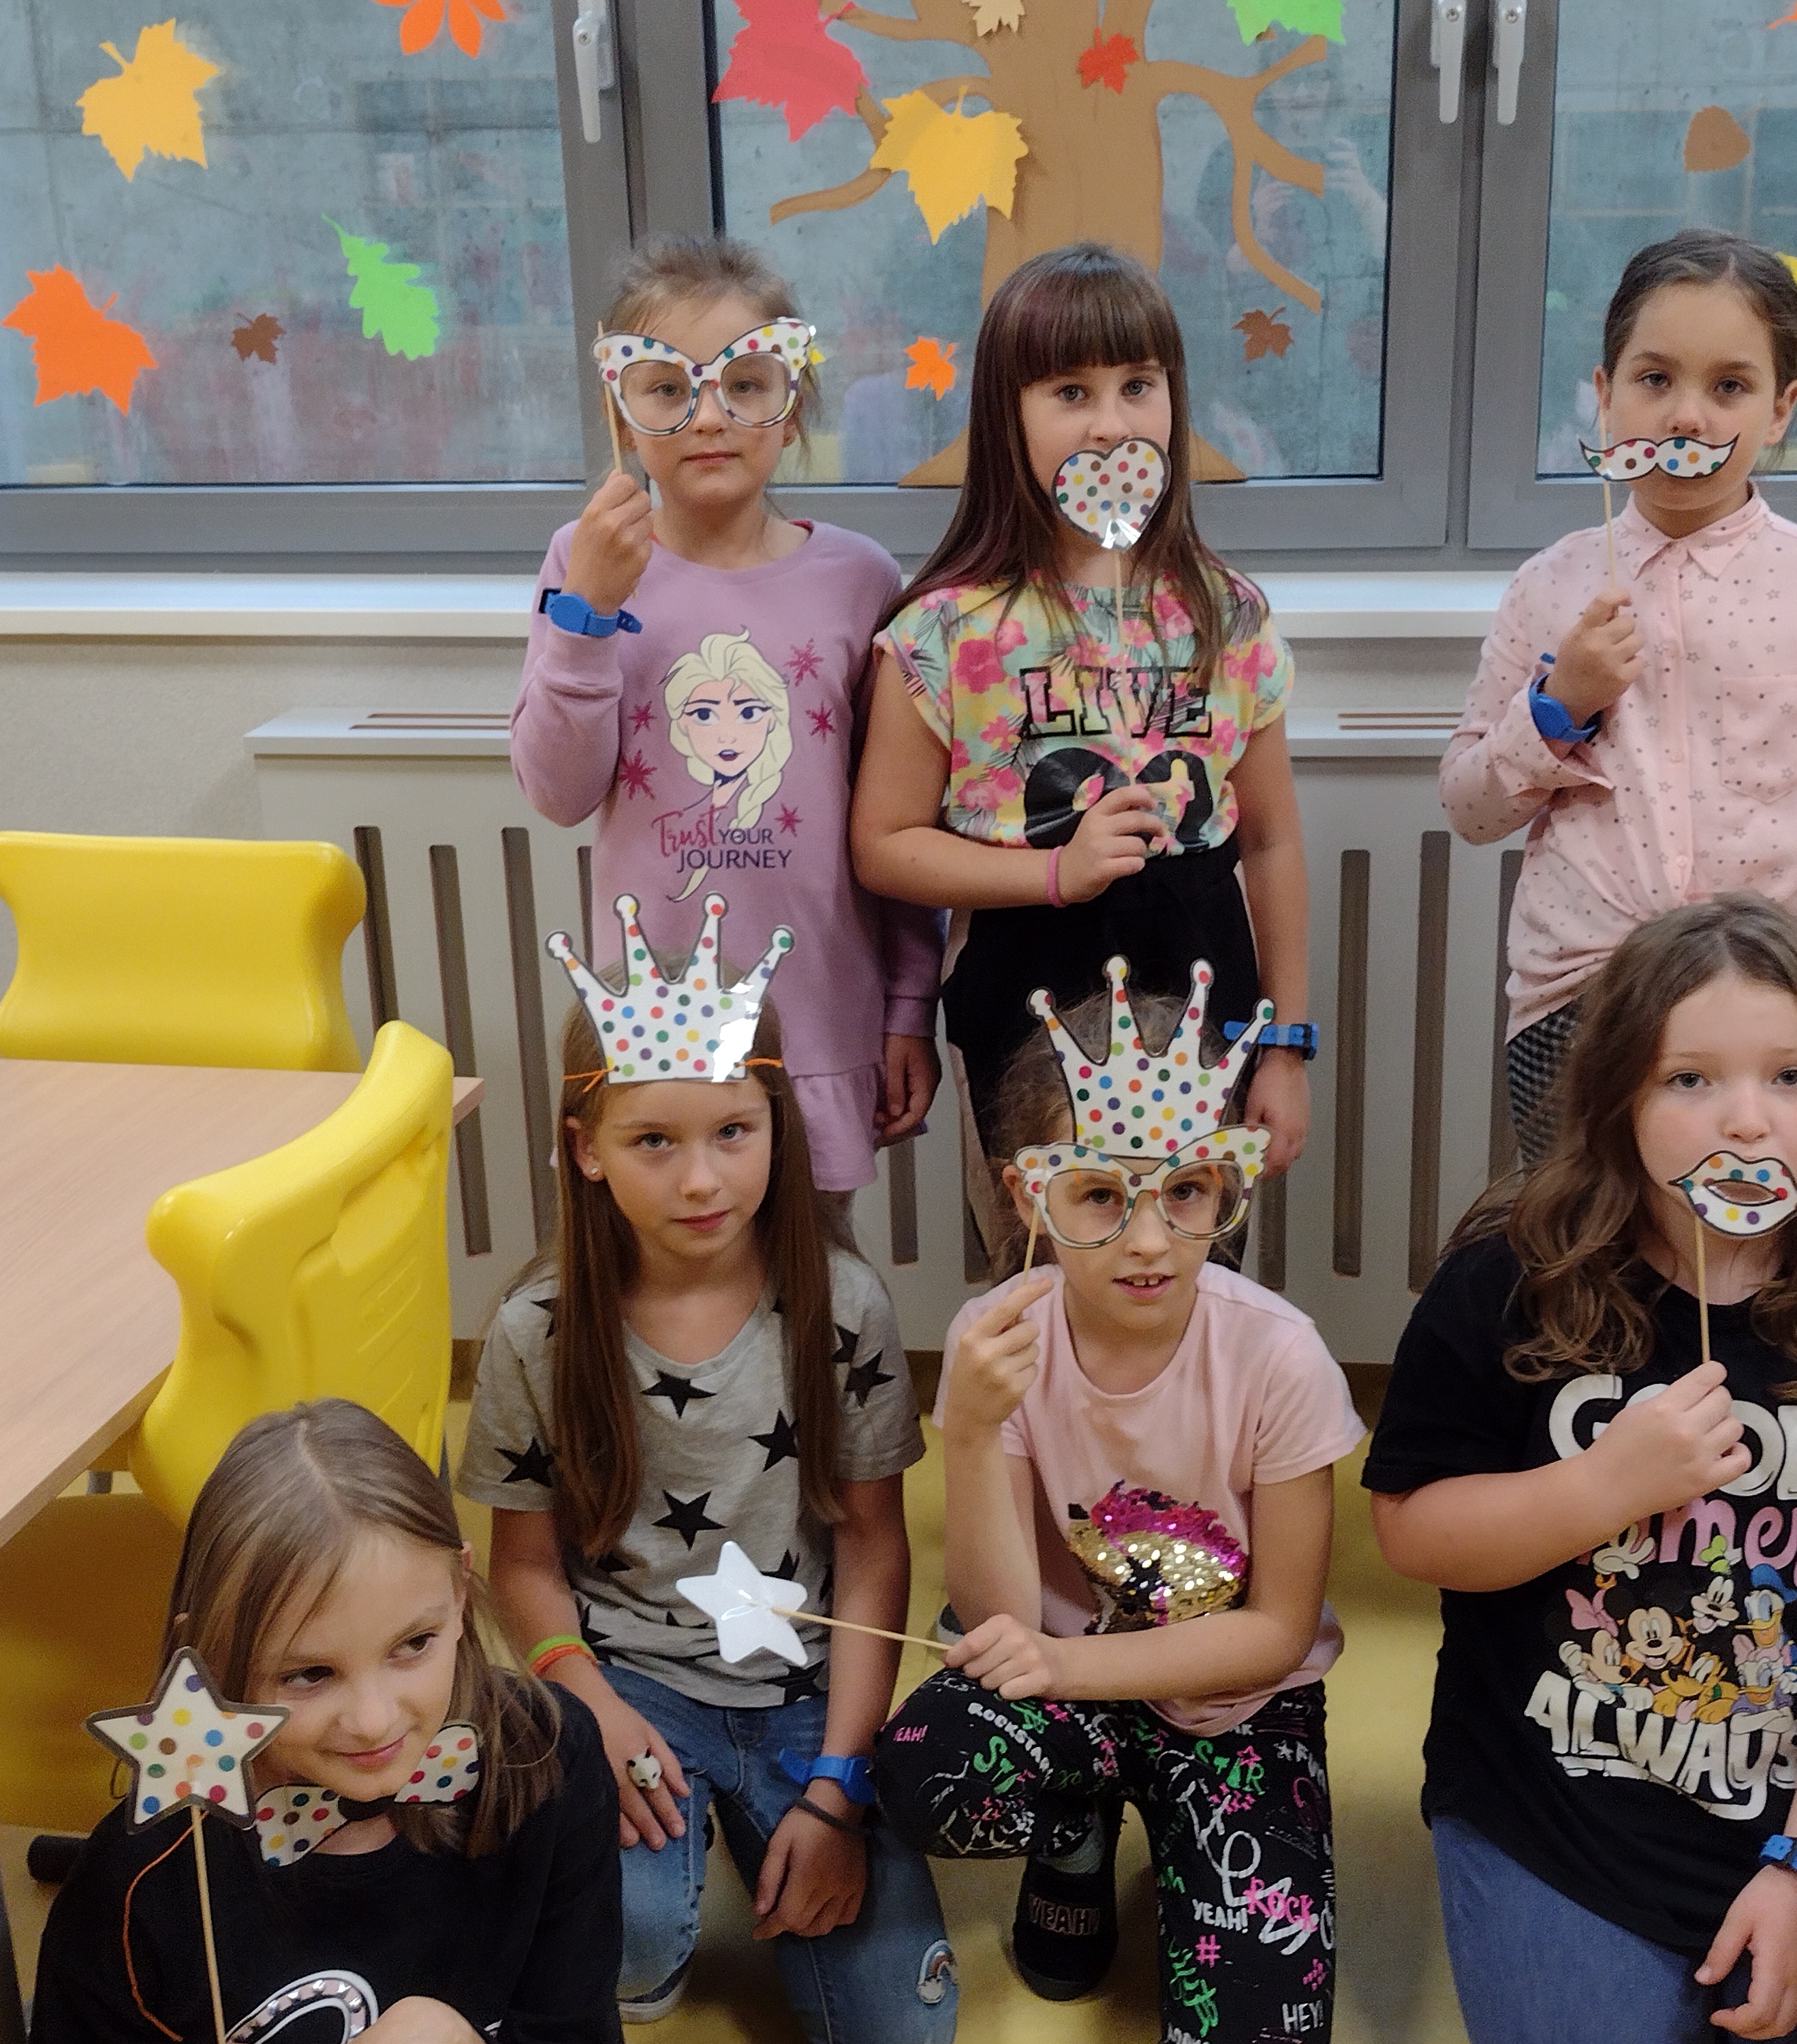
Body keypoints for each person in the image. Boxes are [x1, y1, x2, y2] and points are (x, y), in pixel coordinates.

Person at [1362, 895, 1797, 2043]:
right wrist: (1601, 1488)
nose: (1747, 1120)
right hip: (1564, 1819)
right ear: (1615, 1101)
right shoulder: (1505, 1288)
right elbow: (1412, 1531)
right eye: (1689, 1080)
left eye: (1793, 1077)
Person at [461, 896, 956, 2039]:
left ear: (777, 1125)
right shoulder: (537, 1331)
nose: (700, 1181)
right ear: (585, 1149)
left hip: (805, 1690)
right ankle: (679, 1863)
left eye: (734, 1132)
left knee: (903, 2028)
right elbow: (522, 1566)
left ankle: (769, 1819)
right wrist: (590, 1705)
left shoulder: (846, 1306)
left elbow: (874, 1549)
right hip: (629, 1680)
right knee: (624, 1950)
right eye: (654, 1141)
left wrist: (838, 1786)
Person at [871, 959, 1362, 2040]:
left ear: (1223, 1188)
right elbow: (997, 1618)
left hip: (1233, 1707)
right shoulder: (997, 1338)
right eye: (1100, 1193)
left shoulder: (1279, 1358)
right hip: (1064, 1691)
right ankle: (1074, 1823)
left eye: (1185, 1191)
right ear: (1028, 1195)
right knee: (924, 1774)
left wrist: (1066, 1668)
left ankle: (1161, 1822)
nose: (1147, 1240)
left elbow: (1277, 1633)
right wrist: (972, 1432)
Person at [1445, 227, 1797, 1162]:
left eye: (1729, 387)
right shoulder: (1549, 585)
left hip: (1771, 1011)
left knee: (1752, 1241)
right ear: (1604, 394)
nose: (1686, 416)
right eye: (1654, 379)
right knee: (1579, 1238)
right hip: (1579, 999)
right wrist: (1559, 705)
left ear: (1781, 409)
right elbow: (1469, 809)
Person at [847, 241, 1313, 1228]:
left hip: (1204, 990)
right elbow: (883, 845)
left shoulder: (1228, 617)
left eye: (1138, 386)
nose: (1111, 424)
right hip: (1024, 990)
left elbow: (1271, 842)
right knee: (1041, 1269)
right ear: (1006, 415)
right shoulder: (945, 632)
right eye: (1070, 392)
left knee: (1191, 1263)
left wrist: (1286, 1045)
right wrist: (1056, 873)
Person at [512, 232, 940, 1215]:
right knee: (665, 1275)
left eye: (744, 385)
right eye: (668, 388)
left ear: (792, 409)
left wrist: (911, 1004)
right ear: (623, 411)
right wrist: (587, 613)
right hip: (658, 1036)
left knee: (814, 1275)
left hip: (819, 1023)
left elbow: (903, 819)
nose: (708, 416)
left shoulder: (861, 579)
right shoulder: (582, 561)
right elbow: (558, 792)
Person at [31, 1399, 621, 2043]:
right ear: (212, 1657)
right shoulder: (140, 1888)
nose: (372, 1721)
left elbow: (575, 2027)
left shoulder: (547, 1757)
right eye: (309, 1674)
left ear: (459, 1594)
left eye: (413, 1644)